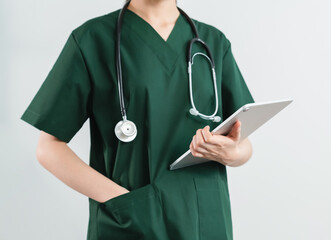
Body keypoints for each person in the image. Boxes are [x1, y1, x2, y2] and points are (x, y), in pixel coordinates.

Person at [20, 0, 255, 239]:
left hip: (205, 219)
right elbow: (48, 148)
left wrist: (232, 154)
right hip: (131, 223)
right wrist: (122, 201)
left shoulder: (213, 43)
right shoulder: (93, 39)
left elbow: (242, 143)